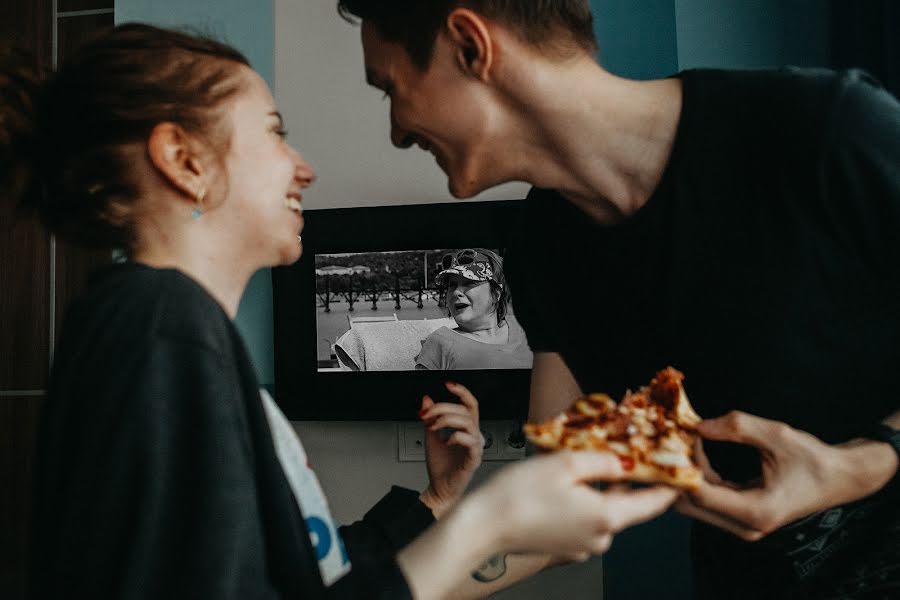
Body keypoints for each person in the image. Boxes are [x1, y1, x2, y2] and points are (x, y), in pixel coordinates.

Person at [0, 24, 679, 599]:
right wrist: (492, 521)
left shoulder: (170, 329)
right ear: (184, 160)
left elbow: (297, 577)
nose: (303, 169)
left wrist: (437, 501)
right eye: (274, 134)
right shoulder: (159, 326)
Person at [338, 1, 900, 598]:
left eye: (390, 88)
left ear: (471, 46)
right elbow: (568, 497)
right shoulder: (544, 243)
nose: (397, 131)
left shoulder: (827, 128)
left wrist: (858, 466)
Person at [416, 248, 532, 370]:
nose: (456, 292)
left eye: (469, 283)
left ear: (496, 293)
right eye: (452, 285)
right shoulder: (440, 342)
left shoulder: (524, 329)